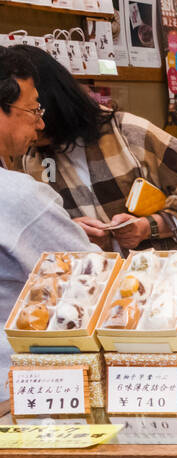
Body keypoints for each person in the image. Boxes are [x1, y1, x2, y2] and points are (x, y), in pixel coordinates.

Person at [19, 44, 177, 260]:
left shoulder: (130, 134)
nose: (32, 128)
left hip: (170, 277)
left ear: (54, 104)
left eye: (35, 112)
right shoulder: (31, 159)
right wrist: (69, 230)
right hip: (94, 285)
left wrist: (147, 227)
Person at [0, 47, 94, 327]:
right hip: (16, 361)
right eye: (33, 110)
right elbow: (91, 271)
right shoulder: (17, 194)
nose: (40, 123)